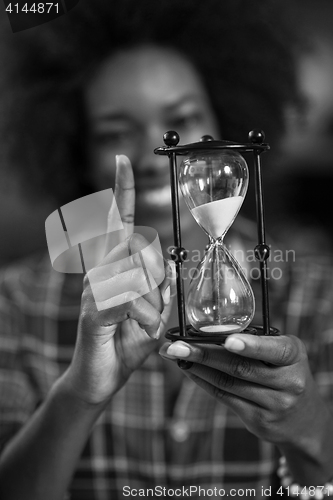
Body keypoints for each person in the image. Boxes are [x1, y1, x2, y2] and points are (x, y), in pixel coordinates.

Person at [1, 1, 333, 499]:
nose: (155, 154)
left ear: (225, 119)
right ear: (76, 149)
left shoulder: (320, 294)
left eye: (181, 118)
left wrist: (310, 434)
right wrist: (78, 396)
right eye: (115, 133)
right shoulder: (16, 302)